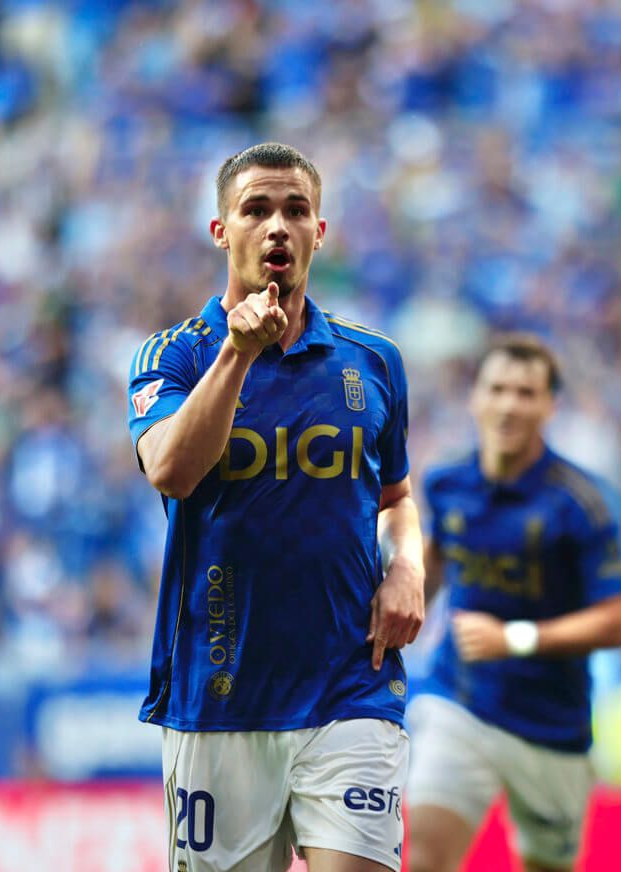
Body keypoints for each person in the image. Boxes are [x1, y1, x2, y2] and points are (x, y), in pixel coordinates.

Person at [126, 142, 424, 872]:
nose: (277, 227)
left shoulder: (373, 361)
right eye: (256, 209)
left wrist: (408, 568)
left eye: (295, 210)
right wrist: (237, 354)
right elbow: (172, 471)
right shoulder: (173, 356)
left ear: (320, 231)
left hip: (350, 687)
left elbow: (396, 499)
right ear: (222, 231)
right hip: (221, 697)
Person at [406, 334, 621, 872]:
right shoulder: (447, 483)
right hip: (460, 701)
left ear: (550, 406)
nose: (509, 404)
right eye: (498, 389)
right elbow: (434, 566)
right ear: (475, 398)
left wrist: (514, 638)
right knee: (423, 858)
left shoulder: (582, 502)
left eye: (526, 392)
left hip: (551, 726)